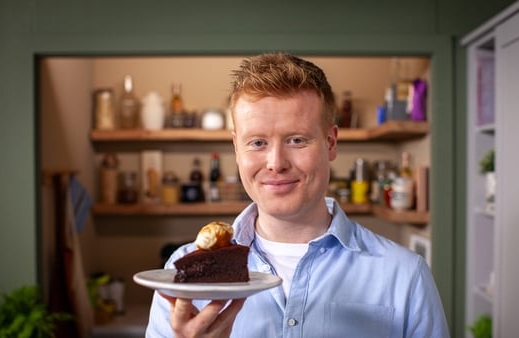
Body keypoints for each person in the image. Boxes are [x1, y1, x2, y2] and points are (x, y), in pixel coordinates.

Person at [146, 53, 449, 338]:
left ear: (330, 143)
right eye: (257, 142)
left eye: (296, 140)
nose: (276, 163)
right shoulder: (182, 273)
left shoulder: (405, 275)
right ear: (236, 148)